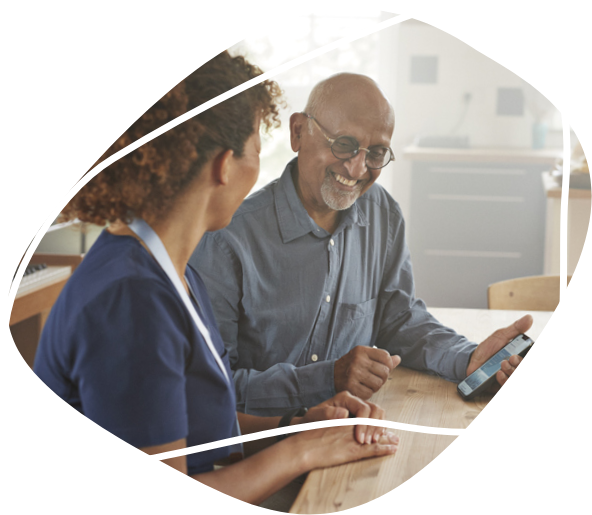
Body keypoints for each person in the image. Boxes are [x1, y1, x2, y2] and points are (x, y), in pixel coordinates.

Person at [32, 53, 400, 506]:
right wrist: (301, 450)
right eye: (258, 151)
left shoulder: (174, 271)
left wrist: (297, 426)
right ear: (225, 166)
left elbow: (199, 423)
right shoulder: (132, 303)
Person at [189, 72, 533, 417]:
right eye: (343, 144)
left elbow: (399, 319)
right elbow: (211, 390)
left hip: (354, 431)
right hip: (263, 449)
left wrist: (467, 357)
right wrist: (326, 379)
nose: (357, 168)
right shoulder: (225, 239)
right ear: (298, 133)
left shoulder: (382, 213)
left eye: (377, 153)